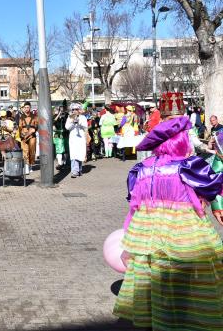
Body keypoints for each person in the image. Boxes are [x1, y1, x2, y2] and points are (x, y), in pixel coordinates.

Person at [113, 116, 223, 330]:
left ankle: (160, 322)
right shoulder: (188, 166)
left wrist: (129, 242)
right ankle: (186, 321)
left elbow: (133, 207)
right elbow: (212, 185)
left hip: (147, 235)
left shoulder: (139, 170)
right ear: (179, 141)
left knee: (156, 281)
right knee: (188, 279)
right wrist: (217, 206)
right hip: (183, 232)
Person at [65, 103, 87, 178]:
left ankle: (79, 170)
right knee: (74, 154)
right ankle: (74, 171)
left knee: (80, 154)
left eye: (76, 109)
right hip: (73, 138)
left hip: (80, 138)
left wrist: (79, 122)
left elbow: (85, 126)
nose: (74, 111)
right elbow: (67, 127)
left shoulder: (83, 117)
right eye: (73, 109)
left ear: (79, 110)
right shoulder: (69, 117)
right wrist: (72, 122)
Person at [18, 102, 37, 175]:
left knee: (32, 151)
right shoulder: (21, 117)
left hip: (32, 136)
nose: (26, 109)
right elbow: (20, 127)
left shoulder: (35, 116)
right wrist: (21, 134)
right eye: (25, 107)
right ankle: (26, 167)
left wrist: (33, 130)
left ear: (30, 108)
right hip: (24, 136)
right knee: (25, 152)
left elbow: (37, 126)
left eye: (28, 107)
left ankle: (31, 165)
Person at [53, 104, 68, 170]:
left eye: (63, 108)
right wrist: (59, 114)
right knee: (59, 149)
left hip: (66, 134)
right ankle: (60, 163)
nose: (62, 109)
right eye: (61, 108)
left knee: (66, 149)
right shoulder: (55, 116)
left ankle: (64, 163)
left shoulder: (67, 115)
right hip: (58, 134)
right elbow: (53, 122)